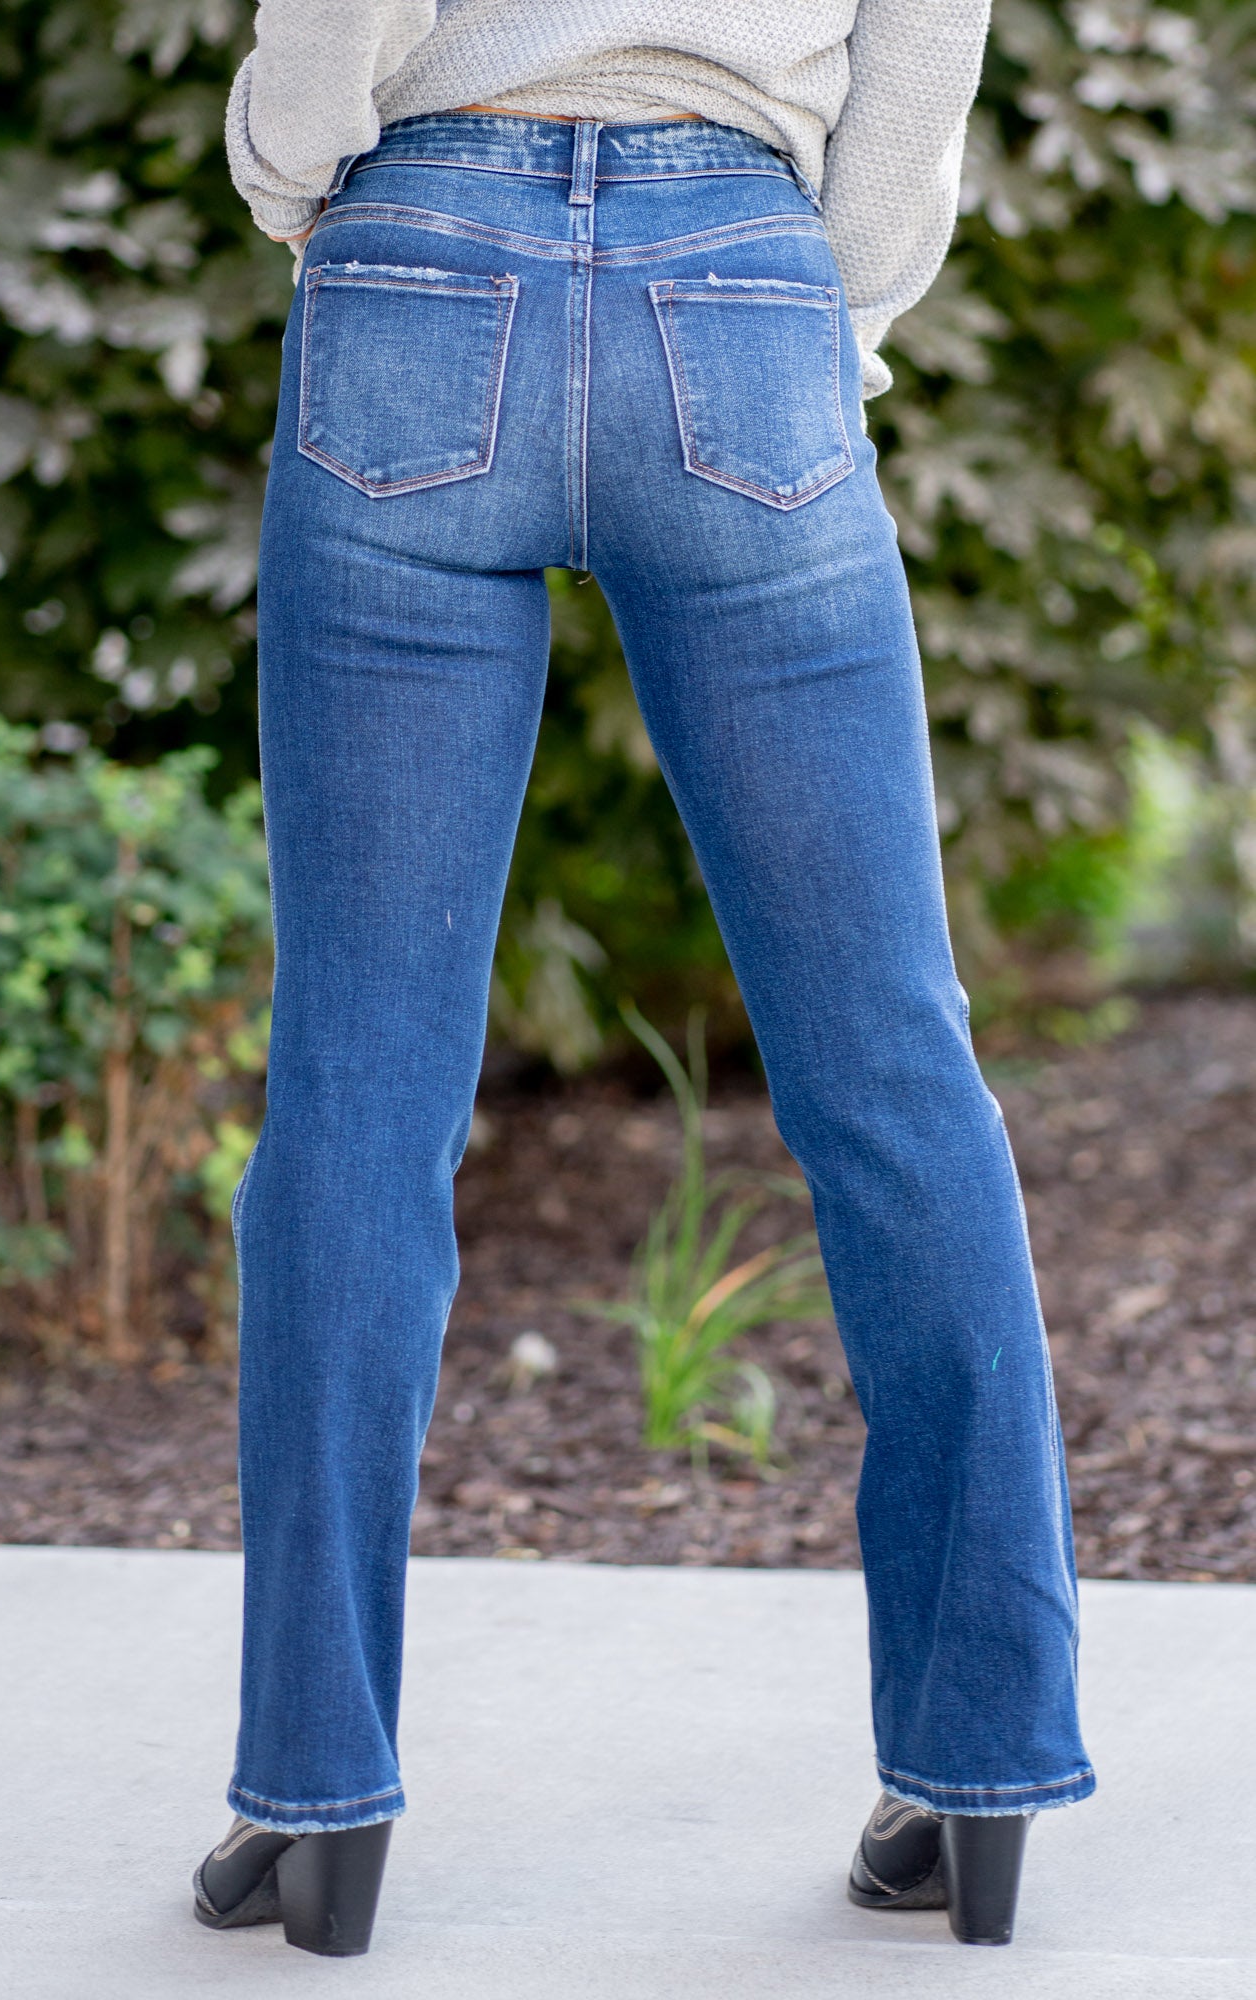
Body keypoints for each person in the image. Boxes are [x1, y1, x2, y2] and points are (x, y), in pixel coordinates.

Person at [192, 0, 1095, 1958]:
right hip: (742, 280)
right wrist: (832, 293)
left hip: (419, 258)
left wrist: (294, 159)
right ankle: (981, 1766)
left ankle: (315, 1796)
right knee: (892, 1068)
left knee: (359, 1087)